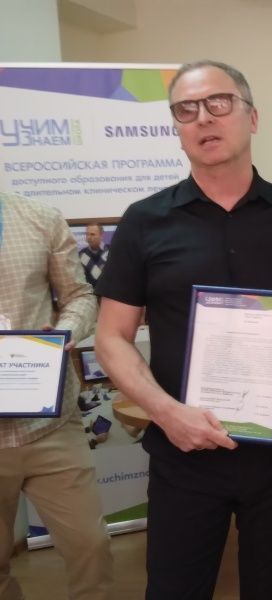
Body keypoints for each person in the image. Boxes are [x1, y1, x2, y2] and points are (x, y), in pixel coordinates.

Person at [94, 60, 272, 599]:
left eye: (219, 103)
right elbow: (110, 337)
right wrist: (166, 413)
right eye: (186, 109)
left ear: (252, 117)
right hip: (183, 452)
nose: (203, 118)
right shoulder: (145, 221)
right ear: (176, 127)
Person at [0, 191, 113, 600]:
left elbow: (80, 296)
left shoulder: (39, 218)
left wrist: (65, 331)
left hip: (49, 421)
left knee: (90, 548)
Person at [79, 223, 109, 288]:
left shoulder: (111, 251)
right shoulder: (81, 254)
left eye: (92, 234)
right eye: (87, 234)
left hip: (108, 292)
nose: (88, 237)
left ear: (101, 235)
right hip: (89, 292)